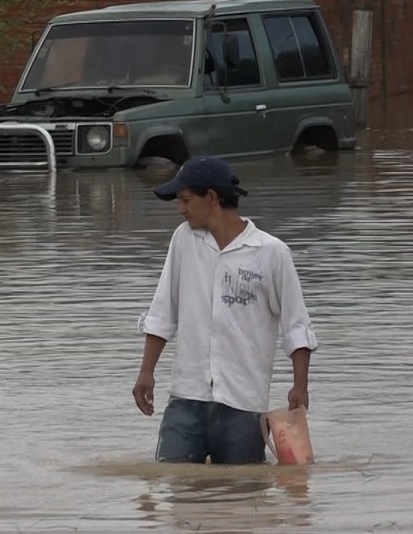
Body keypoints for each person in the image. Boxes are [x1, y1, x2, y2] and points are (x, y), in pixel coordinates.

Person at [132, 156, 317, 464]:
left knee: (242, 499)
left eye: (186, 200)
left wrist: (300, 386)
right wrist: (146, 372)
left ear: (213, 198)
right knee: (174, 485)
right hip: (186, 398)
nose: (181, 208)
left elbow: (296, 326)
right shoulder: (183, 241)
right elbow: (163, 311)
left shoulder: (271, 253)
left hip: (243, 403)